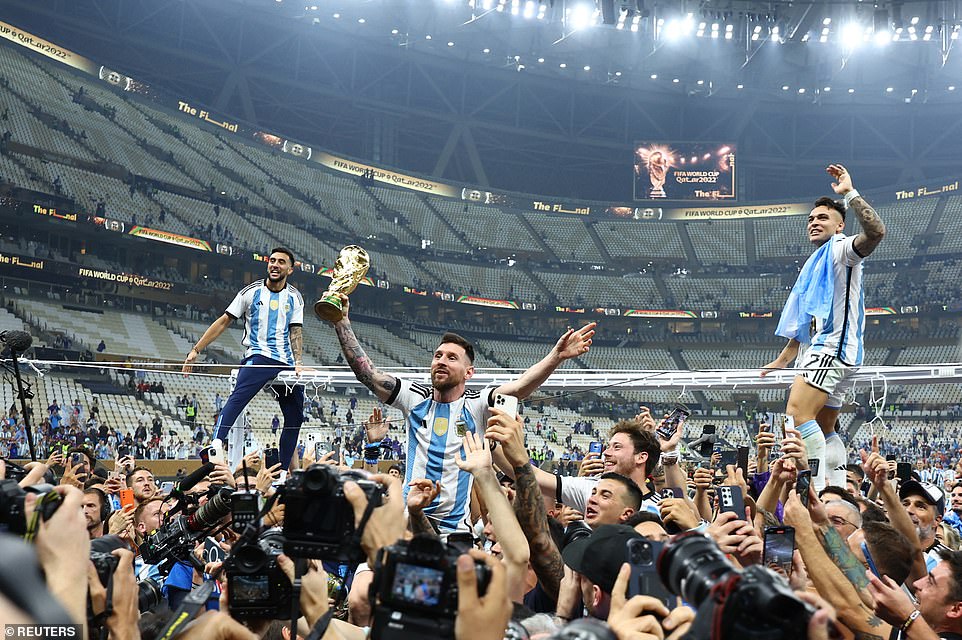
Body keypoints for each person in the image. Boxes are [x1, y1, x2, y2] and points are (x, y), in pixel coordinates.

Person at [328, 290, 594, 533]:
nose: (441, 361)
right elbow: (369, 375)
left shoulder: (477, 404)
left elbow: (521, 387)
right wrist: (341, 323)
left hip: (454, 531)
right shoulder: (414, 397)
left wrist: (556, 357)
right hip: (408, 523)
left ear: (469, 372)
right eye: (438, 356)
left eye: (451, 358)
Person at [762, 164, 886, 491]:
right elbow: (804, 319)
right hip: (838, 354)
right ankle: (838, 488)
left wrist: (849, 193)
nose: (814, 223)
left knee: (798, 413)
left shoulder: (841, 249)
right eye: (811, 219)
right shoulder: (816, 261)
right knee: (824, 426)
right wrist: (784, 358)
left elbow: (876, 233)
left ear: (840, 224)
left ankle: (813, 492)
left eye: (823, 218)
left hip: (831, 351)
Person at [183, 247, 306, 468]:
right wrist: (196, 350)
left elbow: (295, 331)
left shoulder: (295, 298)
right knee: (237, 399)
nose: (275, 265)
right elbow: (223, 321)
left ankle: (283, 473)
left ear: (290, 269)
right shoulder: (251, 292)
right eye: (272, 261)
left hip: (286, 362)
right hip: (259, 356)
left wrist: (298, 363)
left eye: (281, 262)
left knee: (295, 418)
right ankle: (217, 444)